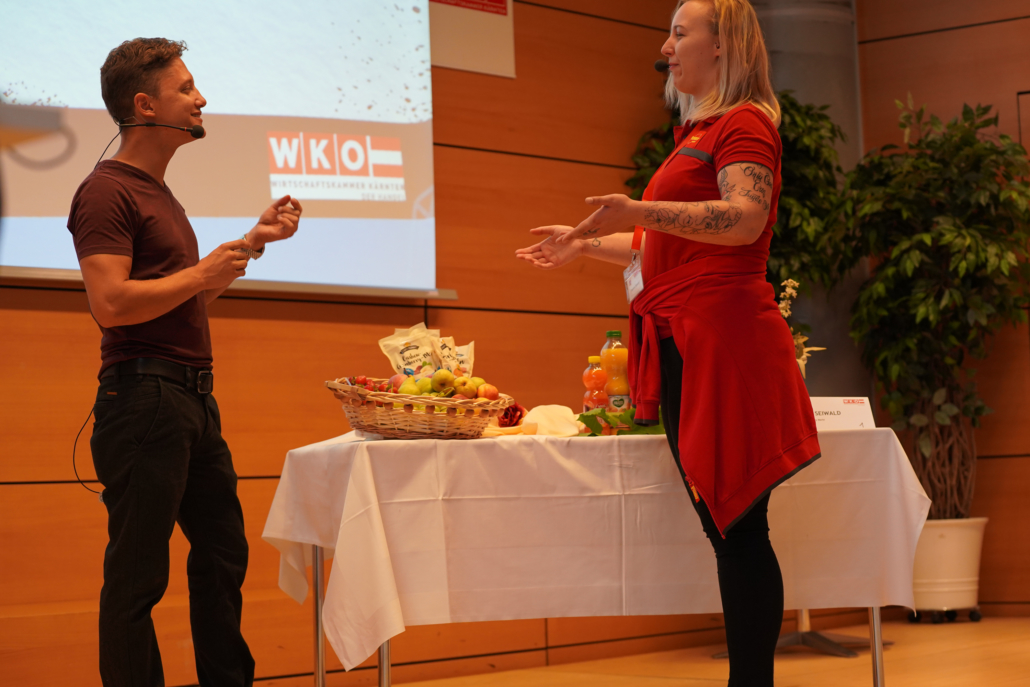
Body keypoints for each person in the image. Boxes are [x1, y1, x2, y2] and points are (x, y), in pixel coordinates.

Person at [516, 1, 820, 685]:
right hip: (689, 337)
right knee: (728, 528)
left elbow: (744, 220)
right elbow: (662, 242)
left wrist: (639, 209)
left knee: (739, 527)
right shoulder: (700, 132)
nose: (665, 47)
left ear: (723, 44)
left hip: (724, 341)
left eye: (680, 33)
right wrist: (585, 243)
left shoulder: (744, 123)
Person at [68, 38, 302, 687]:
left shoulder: (158, 193)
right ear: (146, 105)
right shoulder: (106, 191)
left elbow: (183, 296)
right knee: (138, 575)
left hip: (191, 399)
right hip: (145, 399)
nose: (201, 99)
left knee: (223, 551)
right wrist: (201, 272)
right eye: (186, 88)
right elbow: (111, 303)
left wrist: (251, 242)